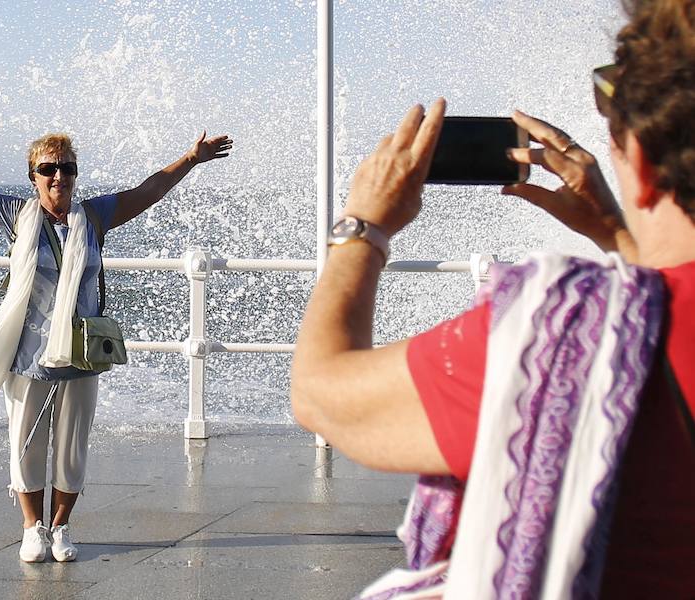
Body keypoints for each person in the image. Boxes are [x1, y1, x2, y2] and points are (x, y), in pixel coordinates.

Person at [291, 0, 694, 597]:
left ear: (641, 160)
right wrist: (616, 235)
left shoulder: (561, 344)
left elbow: (324, 395)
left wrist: (363, 228)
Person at [0, 112, 232, 562]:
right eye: (48, 169)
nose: (58, 176)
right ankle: (33, 528)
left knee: (71, 447)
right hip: (29, 355)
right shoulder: (16, 215)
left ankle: (62, 527)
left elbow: (148, 191)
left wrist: (191, 159)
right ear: (34, 178)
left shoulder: (96, 217)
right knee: (26, 443)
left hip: (81, 354)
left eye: (66, 167)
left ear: (75, 175)